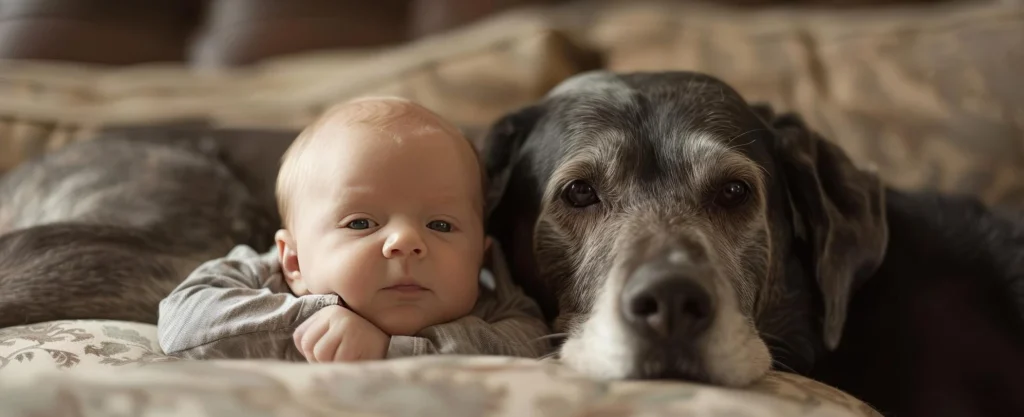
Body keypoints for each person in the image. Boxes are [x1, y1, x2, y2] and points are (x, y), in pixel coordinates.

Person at [157, 97, 552, 362]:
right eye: (361, 223)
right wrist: (317, 319)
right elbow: (182, 321)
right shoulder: (264, 277)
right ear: (293, 260)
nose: (407, 241)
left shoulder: (489, 303)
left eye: (441, 225)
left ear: (479, 256)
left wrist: (389, 349)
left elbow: (530, 341)